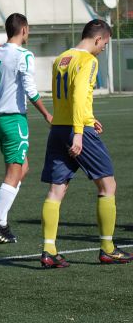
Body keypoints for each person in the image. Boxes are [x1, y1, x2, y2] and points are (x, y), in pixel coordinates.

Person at [40, 19, 133, 268]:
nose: (104, 48)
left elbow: (66, 98)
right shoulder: (89, 61)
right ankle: (107, 248)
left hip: (58, 128)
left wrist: (90, 118)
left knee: (56, 190)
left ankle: (49, 250)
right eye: (105, 43)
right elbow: (80, 95)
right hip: (76, 130)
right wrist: (81, 131)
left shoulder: (61, 58)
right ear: (98, 39)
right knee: (107, 185)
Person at [0, 13, 52, 244]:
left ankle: (2, 222)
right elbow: (30, 89)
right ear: (24, 30)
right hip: (14, 120)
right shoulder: (23, 55)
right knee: (13, 172)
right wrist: (47, 113)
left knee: (23, 168)